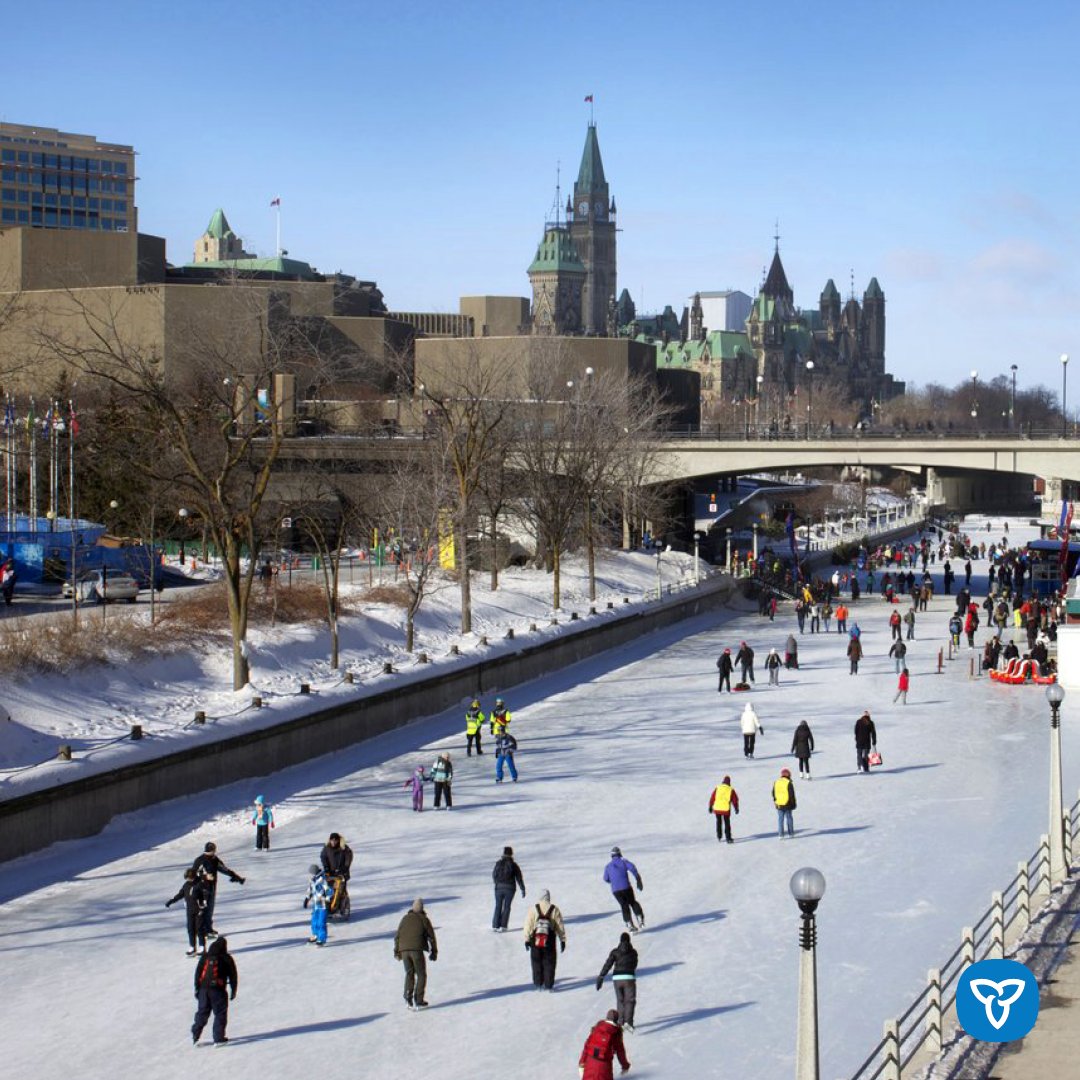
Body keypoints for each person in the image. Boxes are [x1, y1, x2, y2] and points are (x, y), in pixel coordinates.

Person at [191, 936, 238, 1046]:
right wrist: (233, 990)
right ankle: (218, 1038)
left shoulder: (205, 957)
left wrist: (197, 989)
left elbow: (198, 974)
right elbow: (233, 975)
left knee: (202, 1013)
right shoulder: (226, 957)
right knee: (220, 1013)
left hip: (204, 990)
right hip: (218, 991)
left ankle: (195, 1034)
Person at [191, 842, 245, 937]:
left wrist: (236, 876)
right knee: (203, 909)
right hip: (202, 889)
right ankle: (201, 931)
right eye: (213, 850)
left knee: (210, 909)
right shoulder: (200, 860)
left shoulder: (214, 859)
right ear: (210, 850)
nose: (214, 852)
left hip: (211, 888)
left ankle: (208, 929)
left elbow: (224, 869)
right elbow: (192, 875)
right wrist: (205, 876)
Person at [394, 898, 437, 1009]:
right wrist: (434, 952)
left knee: (409, 973)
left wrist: (397, 951)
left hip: (404, 951)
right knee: (421, 974)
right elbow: (431, 937)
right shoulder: (424, 919)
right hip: (416, 951)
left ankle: (408, 997)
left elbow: (397, 936)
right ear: (422, 909)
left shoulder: (405, 918)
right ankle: (419, 1000)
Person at [524, 889, 566, 990]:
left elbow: (528, 925)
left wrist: (527, 939)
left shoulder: (533, 908)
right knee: (549, 962)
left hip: (536, 938)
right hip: (549, 939)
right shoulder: (554, 909)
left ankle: (538, 983)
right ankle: (549, 985)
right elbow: (560, 926)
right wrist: (562, 940)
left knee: (536, 961)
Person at [596, 934, 639, 1033]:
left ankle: (620, 1021)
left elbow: (608, 964)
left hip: (617, 978)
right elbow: (635, 964)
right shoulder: (633, 952)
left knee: (620, 1000)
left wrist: (601, 976)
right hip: (629, 978)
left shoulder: (615, 952)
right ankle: (628, 1022)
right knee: (630, 1000)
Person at [166, 867, 210, 956]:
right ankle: (192, 947)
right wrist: (172, 900)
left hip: (199, 910)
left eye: (189, 878)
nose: (188, 879)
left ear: (193, 877)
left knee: (199, 928)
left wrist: (203, 905)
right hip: (190, 910)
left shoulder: (200, 884)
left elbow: (206, 894)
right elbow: (181, 894)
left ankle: (202, 947)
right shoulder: (186, 885)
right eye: (187, 878)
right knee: (190, 929)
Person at [579, 1009, 631, 1079]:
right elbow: (620, 1052)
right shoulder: (616, 1032)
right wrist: (625, 1066)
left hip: (590, 1063)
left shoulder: (597, 1027)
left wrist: (582, 1062)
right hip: (604, 1066)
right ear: (616, 1020)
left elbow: (587, 1046)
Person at [604, 847, 645, 931]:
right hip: (626, 887)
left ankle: (629, 924)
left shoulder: (608, 866)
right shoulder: (623, 861)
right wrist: (638, 879)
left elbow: (606, 878)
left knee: (624, 905)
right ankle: (639, 917)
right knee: (632, 902)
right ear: (619, 853)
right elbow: (632, 867)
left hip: (615, 890)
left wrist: (614, 881)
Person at [492, 845, 526, 931]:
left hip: (499, 888)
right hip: (510, 888)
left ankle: (495, 926)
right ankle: (503, 926)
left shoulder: (498, 863)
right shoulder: (514, 865)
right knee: (507, 907)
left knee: (498, 906)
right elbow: (519, 877)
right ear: (511, 854)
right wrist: (522, 888)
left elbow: (494, 875)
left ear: (503, 853)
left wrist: (497, 883)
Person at [303, 863, 333, 946]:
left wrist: (327, 900)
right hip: (316, 904)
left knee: (321, 922)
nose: (310, 874)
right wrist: (307, 898)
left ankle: (322, 938)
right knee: (314, 921)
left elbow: (329, 890)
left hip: (323, 904)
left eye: (311, 873)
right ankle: (315, 935)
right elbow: (310, 889)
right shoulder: (313, 879)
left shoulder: (323, 880)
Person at [708, 775, 739, 843]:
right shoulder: (731, 789)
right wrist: (736, 808)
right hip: (725, 809)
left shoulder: (718, 788)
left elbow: (712, 797)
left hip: (717, 808)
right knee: (727, 823)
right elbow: (735, 800)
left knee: (718, 822)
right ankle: (728, 838)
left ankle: (719, 836)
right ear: (729, 782)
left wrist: (710, 806)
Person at [772, 768, 797, 838]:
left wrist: (775, 800)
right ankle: (791, 833)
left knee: (780, 819)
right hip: (788, 804)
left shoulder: (776, 782)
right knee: (789, 818)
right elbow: (791, 794)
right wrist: (794, 804)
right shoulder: (788, 783)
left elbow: (773, 793)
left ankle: (781, 835)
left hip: (779, 804)